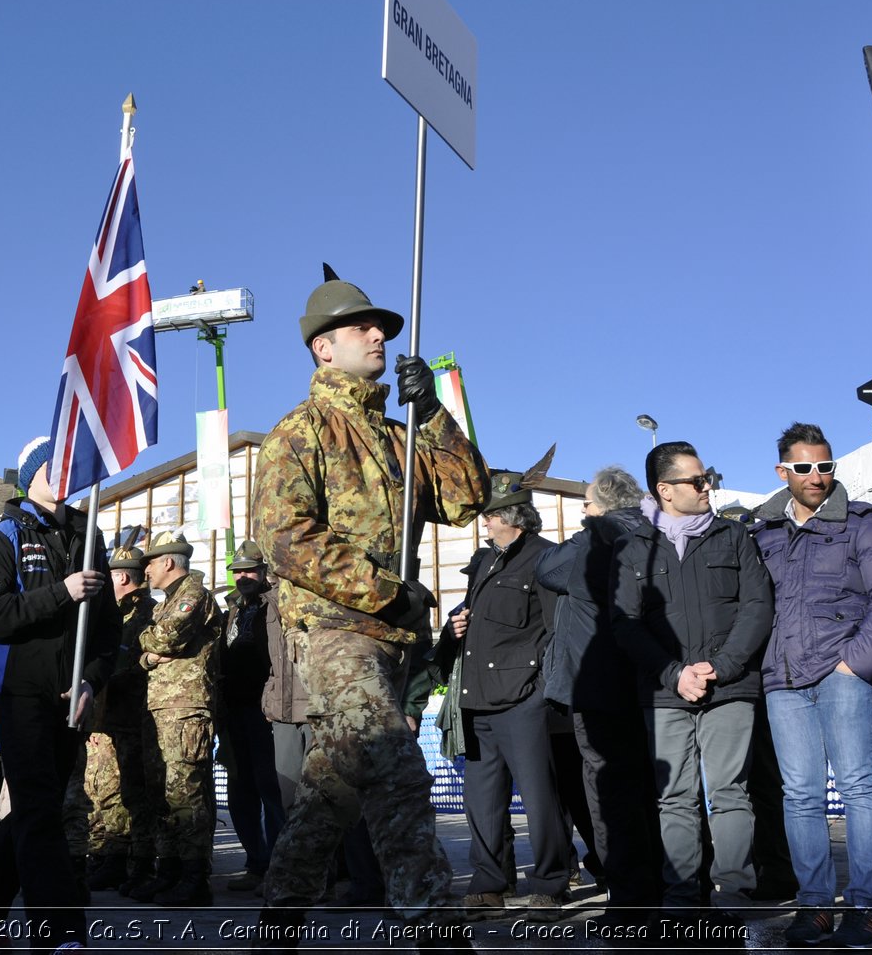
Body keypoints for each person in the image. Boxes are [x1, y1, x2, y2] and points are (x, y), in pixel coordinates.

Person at [251, 268, 489, 951]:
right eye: (363, 325)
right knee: (394, 766)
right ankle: (435, 927)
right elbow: (287, 538)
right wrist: (387, 590)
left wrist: (434, 416)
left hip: (393, 641)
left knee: (333, 786)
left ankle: (280, 918)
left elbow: (466, 498)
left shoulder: (396, 435)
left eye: (381, 325)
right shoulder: (298, 432)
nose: (380, 333)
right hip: (332, 632)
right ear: (324, 347)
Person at [747, 424, 872, 948]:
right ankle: (814, 907)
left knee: (860, 786)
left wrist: (855, 664)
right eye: (803, 468)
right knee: (799, 796)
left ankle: (867, 912)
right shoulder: (760, 531)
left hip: (843, 674)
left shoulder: (861, 522)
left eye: (825, 466)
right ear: (782, 472)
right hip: (783, 679)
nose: (816, 476)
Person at [0, 440, 118, 952]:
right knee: (40, 807)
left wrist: (91, 679)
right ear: (31, 476)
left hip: (69, 693)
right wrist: (61, 592)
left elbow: (106, 627)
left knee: (36, 806)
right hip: (16, 690)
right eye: (56, 465)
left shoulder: (87, 532)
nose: (68, 472)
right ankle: (58, 933)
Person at [611, 440, 774, 930]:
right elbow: (624, 622)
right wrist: (674, 674)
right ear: (665, 490)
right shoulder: (634, 547)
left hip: (731, 686)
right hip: (664, 692)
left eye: (709, 478)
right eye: (697, 481)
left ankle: (734, 890)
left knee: (730, 792)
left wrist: (720, 667)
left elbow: (757, 606)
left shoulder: (733, 536)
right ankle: (682, 895)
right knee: (674, 797)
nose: (708, 487)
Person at [435, 469, 566, 923]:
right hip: (477, 700)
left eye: (489, 516)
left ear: (514, 518)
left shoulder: (546, 560)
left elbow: (556, 633)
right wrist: (452, 631)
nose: (484, 524)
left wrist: (540, 690)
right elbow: (473, 622)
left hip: (523, 701)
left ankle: (550, 884)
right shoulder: (483, 561)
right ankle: (490, 883)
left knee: (539, 798)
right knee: (481, 802)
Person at [537, 465, 660, 926]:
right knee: (657, 791)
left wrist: (591, 524)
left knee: (609, 792)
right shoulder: (654, 532)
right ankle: (669, 888)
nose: (582, 512)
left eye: (586, 505)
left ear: (603, 507)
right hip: (646, 681)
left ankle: (628, 901)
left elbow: (547, 569)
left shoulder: (597, 538)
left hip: (599, 685)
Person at [137, 530, 226, 907]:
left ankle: (195, 877)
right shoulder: (166, 602)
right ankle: (170, 869)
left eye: (151, 563)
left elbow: (164, 640)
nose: (147, 571)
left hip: (187, 706)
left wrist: (151, 648)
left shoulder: (193, 595)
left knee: (186, 791)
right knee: (162, 791)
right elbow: (149, 648)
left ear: (169, 562)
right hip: (163, 705)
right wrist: (149, 651)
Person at [83, 545, 161, 893]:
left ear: (123, 577)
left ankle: (124, 857)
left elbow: (136, 664)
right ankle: (104, 853)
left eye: (110, 577)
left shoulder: (145, 613)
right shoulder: (117, 613)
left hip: (131, 715)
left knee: (127, 792)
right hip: (108, 715)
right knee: (101, 789)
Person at [216, 539, 287, 895]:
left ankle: (276, 866)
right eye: (238, 571)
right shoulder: (233, 608)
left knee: (271, 790)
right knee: (239, 791)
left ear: (264, 572)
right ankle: (255, 863)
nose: (243, 576)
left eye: (249, 570)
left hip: (267, 711)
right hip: (235, 710)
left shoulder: (277, 605)